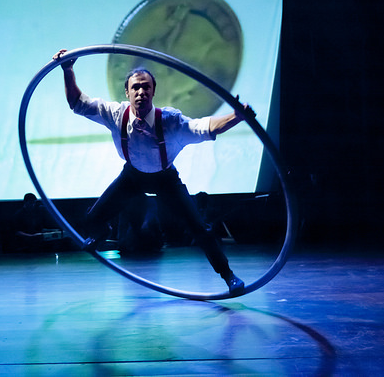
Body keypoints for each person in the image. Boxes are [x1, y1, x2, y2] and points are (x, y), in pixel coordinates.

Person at [53, 49, 255, 293]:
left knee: (200, 229)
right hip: (133, 177)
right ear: (127, 92)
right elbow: (77, 103)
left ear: (153, 91)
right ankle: (102, 231)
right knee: (92, 219)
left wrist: (237, 116)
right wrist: (67, 70)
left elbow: (206, 127)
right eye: (136, 87)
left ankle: (228, 275)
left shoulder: (170, 121)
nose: (141, 92)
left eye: (146, 87)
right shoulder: (116, 114)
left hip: (165, 179)